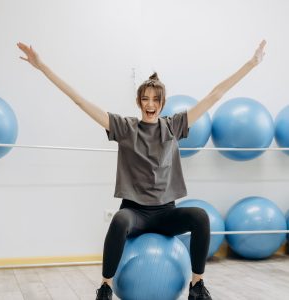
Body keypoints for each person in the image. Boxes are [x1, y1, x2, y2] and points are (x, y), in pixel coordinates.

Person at [17, 40, 266, 300]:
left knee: (200, 216)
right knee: (119, 219)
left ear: (162, 103)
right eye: (145, 98)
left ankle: (197, 286)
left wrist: (251, 63)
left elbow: (214, 95)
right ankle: (105, 287)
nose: (150, 104)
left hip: (165, 213)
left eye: (156, 99)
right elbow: (80, 101)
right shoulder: (125, 128)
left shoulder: (174, 126)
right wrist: (42, 66)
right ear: (139, 101)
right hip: (135, 213)